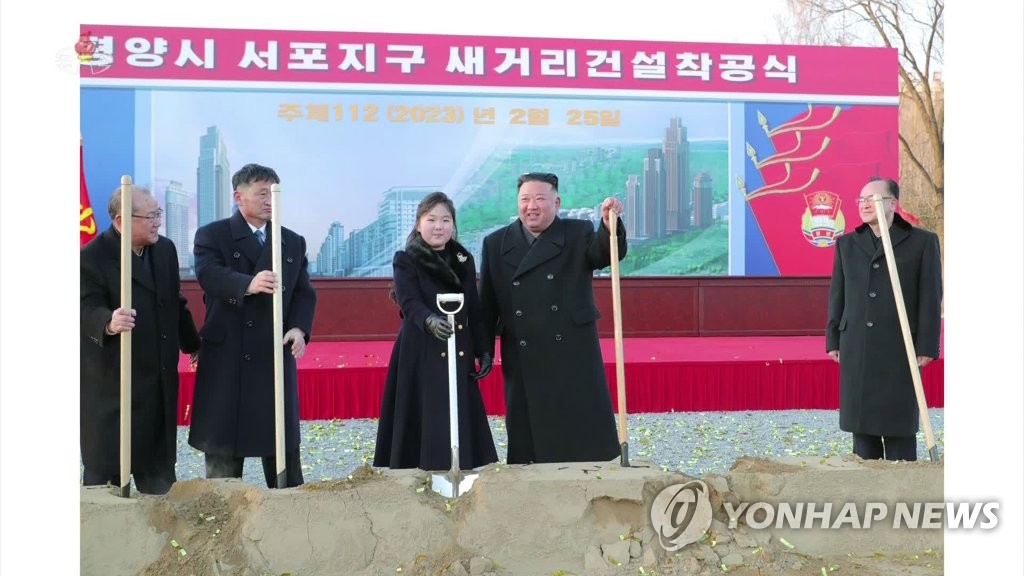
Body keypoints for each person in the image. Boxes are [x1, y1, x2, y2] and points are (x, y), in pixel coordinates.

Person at [478, 172, 627, 464]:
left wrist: (610, 227)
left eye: (540, 199)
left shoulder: (578, 232)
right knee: (529, 436)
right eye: (525, 199)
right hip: (523, 351)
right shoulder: (496, 243)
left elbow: (605, 254)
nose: (531, 206)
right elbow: (487, 304)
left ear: (556, 202)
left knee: (580, 424)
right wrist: (482, 349)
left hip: (573, 346)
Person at [188, 163, 317, 487]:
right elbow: (209, 275)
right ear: (238, 196)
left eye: (274, 193)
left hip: (272, 353)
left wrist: (298, 328)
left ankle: (288, 515)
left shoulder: (292, 241)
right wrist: (248, 282)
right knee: (223, 459)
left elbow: (303, 292)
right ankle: (221, 520)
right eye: (262, 193)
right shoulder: (212, 235)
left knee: (281, 450)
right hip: (228, 356)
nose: (270, 200)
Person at [80, 185, 200, 494]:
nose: (158, 221)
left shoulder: (165, 250)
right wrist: (108, 321)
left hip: (157, 380)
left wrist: (193, 345)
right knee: (106, 491)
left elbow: (175, 302)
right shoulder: (91, 257)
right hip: (113, 387)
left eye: (158, 213)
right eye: (151, 216)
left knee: (159, 487)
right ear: (122, 221)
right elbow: (83, 307)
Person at [374, 192, 498, 471]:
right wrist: (429, 320)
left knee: (458, 408)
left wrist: (484, 349)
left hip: (459, 346)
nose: (438, 226)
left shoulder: (463, 259)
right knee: (424, 409)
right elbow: (409, 300)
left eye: (445, 220)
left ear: (453, 225)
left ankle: (460, 466)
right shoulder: (405, 259)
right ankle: (421, 467)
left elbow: (474, 308)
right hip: (421, 348)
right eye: (431, 219)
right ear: (418, 224)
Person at [826, 177, 943, 462]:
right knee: (862, 434)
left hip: (900, 348)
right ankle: (867, 496)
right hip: (857, 345)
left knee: (898, 428)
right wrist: (834, 338)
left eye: (872, 199)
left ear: (892, 204)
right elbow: (838, 295)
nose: (864, 205)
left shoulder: (921, 242)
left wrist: (927, 345)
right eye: (861, 200)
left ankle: (905, 496)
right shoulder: (847, 245)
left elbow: (931, 295)